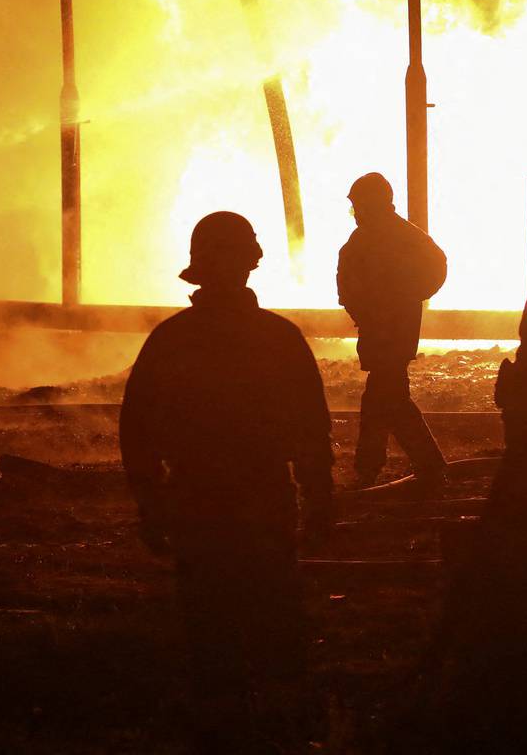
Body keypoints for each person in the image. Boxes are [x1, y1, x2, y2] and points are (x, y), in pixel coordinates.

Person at [120, 211, 334, 742]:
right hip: (263, 494)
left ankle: (221, 721)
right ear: (251, 262)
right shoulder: (279, 338)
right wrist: (319, 495)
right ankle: (281, 719)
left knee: (208, 613)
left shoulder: (170, 341)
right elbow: (310, 426)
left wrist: (151, 502)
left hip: (197, 496)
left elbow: (138, 430)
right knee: (275, 606)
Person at [339, 172, 448, 489]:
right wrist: (410, 296)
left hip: (387, 331)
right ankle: (381, 465)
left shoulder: (375, 239)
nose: (356, 212)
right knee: (385, 396)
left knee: (385, 396)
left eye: (358, 205)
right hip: (392, 330)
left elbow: (347, 284)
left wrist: (387, 302)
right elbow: (436, 267)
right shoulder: (401, 236)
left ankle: (394, 465)